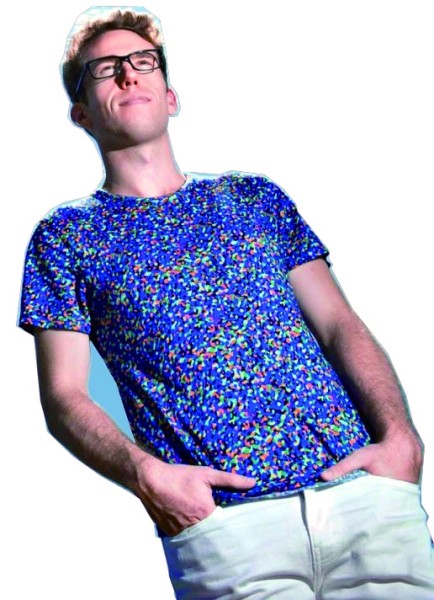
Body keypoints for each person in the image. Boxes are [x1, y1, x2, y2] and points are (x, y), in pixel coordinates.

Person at [17, 5, 434, 599]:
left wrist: (401, 438)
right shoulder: (64, 237)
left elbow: (339, 324)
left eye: (143, 62)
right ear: (81, 113)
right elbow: (64, 396)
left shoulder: (255, 197)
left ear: (171, 96)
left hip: (364, 499)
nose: (129, 74)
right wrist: (148, 477)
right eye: (104, 69)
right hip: (228, 529)